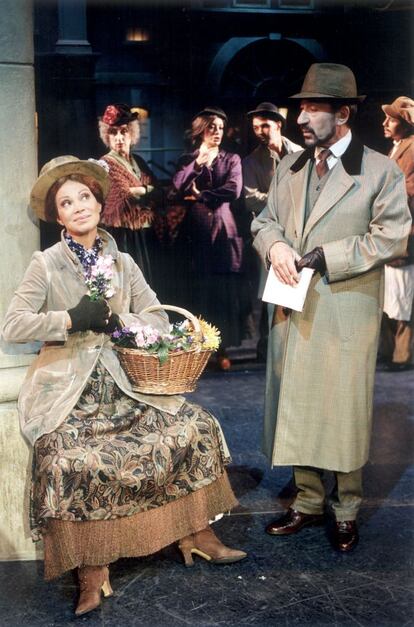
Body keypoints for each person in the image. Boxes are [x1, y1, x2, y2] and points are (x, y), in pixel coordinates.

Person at [2, 156, 246, 616]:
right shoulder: (46, 263)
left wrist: (122, 323)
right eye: (66, 203)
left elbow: (155, 313)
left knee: (194, 427)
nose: (78, 207)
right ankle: (92, 570)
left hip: (124, 383)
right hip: (68, 388)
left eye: (85, 198)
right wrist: (70, 319)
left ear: (99, 203)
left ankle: (197, 534)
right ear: (58, 216)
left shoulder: (124, 261)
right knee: (71, 458)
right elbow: (12, 325)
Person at [251, 63, 411, 552]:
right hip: (293, 305)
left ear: (343, 114)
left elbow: (393, 235)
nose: (302, 116)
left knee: (342, 409)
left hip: (345, 305)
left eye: (314, 107)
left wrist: (330, 256)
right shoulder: (291, 166)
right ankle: (307, 500)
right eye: (301, 106)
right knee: (298, 402)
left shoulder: (378, 170)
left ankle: (346, 509)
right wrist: (275, 246)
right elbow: (265, 220)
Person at [171, 107, 243, 370]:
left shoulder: (231, 158)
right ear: (201, 129)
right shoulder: (187, 159)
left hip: (224, 229)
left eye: (221, 128)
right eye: (212, 127)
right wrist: (197, 164)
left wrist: (201, 195)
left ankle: (221, 349)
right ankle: (197, 350)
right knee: (197, 289)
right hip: (197, 229)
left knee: (221, 292)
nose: (217, 133)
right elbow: (178, 186)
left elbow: (234, 189)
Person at [243, 102, 302, 360]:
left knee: (298, 282)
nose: (260, 131)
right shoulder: (252, 161)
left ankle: (296, 343)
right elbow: (249, 199)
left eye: (265, 126)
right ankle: (268, 344)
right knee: (270, 287)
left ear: (278, 124)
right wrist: (281, 198)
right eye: (256, 127)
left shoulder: (301, 153)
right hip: (269, 233)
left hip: (300, 230)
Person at [98, 103, 159, 284]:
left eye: (123, 132)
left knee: (145, 282)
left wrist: (142, 190)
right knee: (126, 283)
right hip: (120, 234)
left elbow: (162, 192)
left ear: (131, 134)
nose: (119, 138)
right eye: (113, 132)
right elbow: (124, 194)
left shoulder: (138, 161)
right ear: (107, 136)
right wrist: (148, 190)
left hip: (143, 233)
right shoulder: (105, 163)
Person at [380, 96, 414, 370]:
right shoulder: (397, 147)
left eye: (391, 119)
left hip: (407, 232)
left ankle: (402, 355)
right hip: (393, 229)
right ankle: (392, 351)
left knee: (402, 295)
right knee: (392, 293)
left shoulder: (412, 148)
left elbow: (409, 187)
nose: (385, 123)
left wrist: (384, 192)